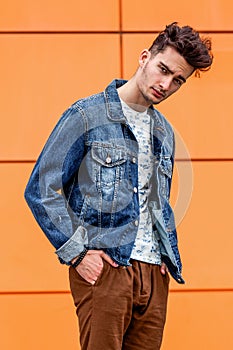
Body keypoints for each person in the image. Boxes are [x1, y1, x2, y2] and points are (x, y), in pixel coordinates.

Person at [25, 22, 213, 350]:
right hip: (108, 267)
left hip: (154, 273)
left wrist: (163, 260)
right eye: (163, 69)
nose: (166, 84)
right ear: (144, 58)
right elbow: (40, 188)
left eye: (177, 80)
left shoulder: (164, 132)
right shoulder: (87, 115)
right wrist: (77, 253)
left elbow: (156, 203)